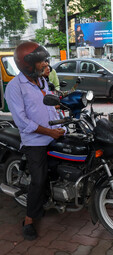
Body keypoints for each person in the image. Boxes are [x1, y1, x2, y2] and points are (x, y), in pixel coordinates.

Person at [4, 41, 65, 240]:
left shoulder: (42, 82)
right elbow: (22, 121)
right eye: (40, 61)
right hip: (34, 141)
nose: (44, 64)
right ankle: (29, 220)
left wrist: (60, 122)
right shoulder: (14, 87)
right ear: (27, 64)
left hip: (51, 134)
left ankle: (55, 197)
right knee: (38, 180)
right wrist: (48, 132)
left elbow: (48, 107)